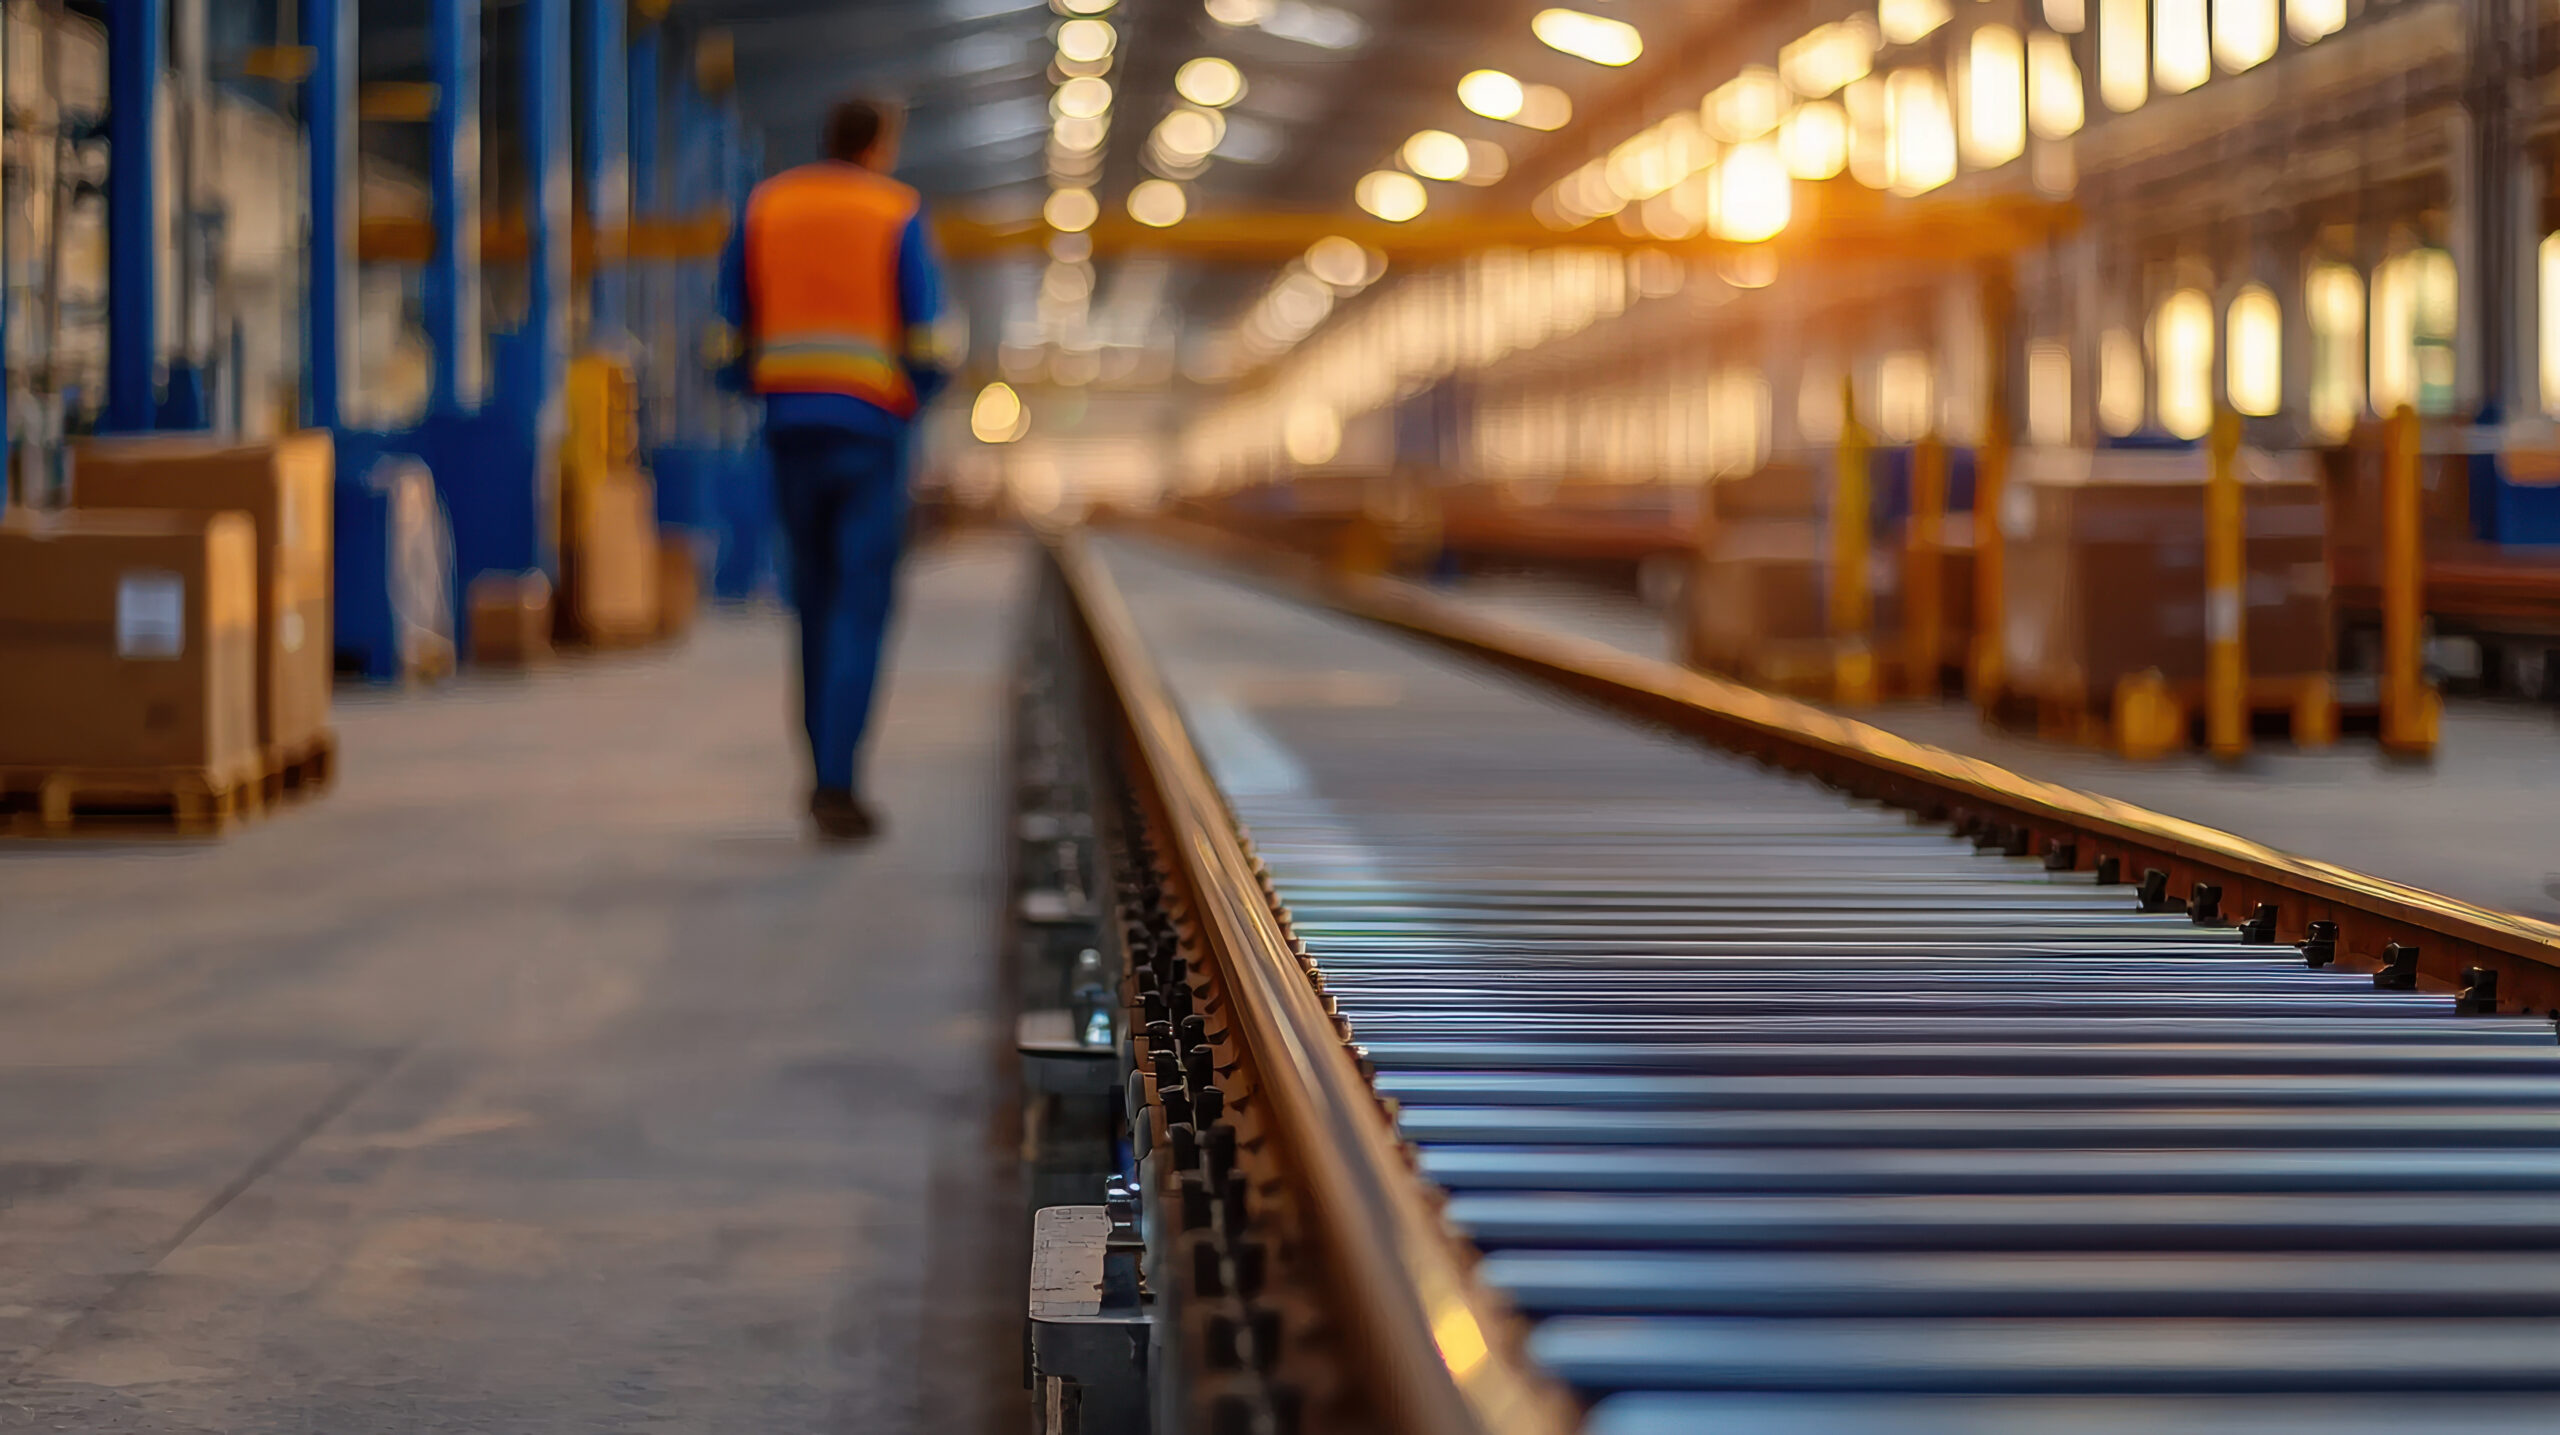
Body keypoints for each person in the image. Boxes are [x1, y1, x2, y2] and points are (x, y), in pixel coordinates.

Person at [718, 97, 951, 841]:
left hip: (790, 432)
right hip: (870, 436)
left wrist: (767, 390)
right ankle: (837, 781)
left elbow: (727, 337)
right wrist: (912, 401)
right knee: (859, 606)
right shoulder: (894, 210)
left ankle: (820, 768)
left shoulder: (765, 207)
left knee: (813, 604)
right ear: (879, 144)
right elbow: (929, 340)